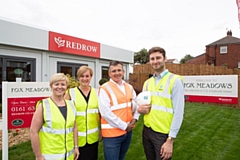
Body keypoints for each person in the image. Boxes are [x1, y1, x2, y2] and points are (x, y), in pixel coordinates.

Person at [138, 46, 184, 160]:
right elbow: (142, 104)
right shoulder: (147, 83)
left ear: (165, 59)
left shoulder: (175, 80)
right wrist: (140, 109)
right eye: (152, 59)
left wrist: (170, 140)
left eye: (158, 58)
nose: (155, 61)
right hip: (147, 131)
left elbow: (178, 112)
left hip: (163, 134)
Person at [30, 73, 79, 160]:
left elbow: (74, 127)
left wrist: (76, 146)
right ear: (51, 86)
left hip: (69, 156)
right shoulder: (43, 105)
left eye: (63, 84)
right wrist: (38, 156)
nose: (59, 87)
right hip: (49, 156)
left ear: (66, 87)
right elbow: (34, 132)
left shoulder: (71, 104)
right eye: (56, 84)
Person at [98, 60, 140, 160]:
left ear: (123, 72)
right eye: (113, 71)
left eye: (119, 70)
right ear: (109, 73)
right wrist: (125, 126)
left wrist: (135, 118)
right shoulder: (104, 88)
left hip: (127, 133)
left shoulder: (129, 87)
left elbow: (137, 104)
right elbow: (105, 113)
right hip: (112, 135)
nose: (117, 73)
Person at [64, 66, 100, 160]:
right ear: (78, 78)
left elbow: (101, 113)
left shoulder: (97, 93)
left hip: (93, 138)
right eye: (82, 76)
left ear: (91, 77)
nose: (84, 79)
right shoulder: (70, 93)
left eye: (87, 76)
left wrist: (102, 130)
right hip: (76, 139)